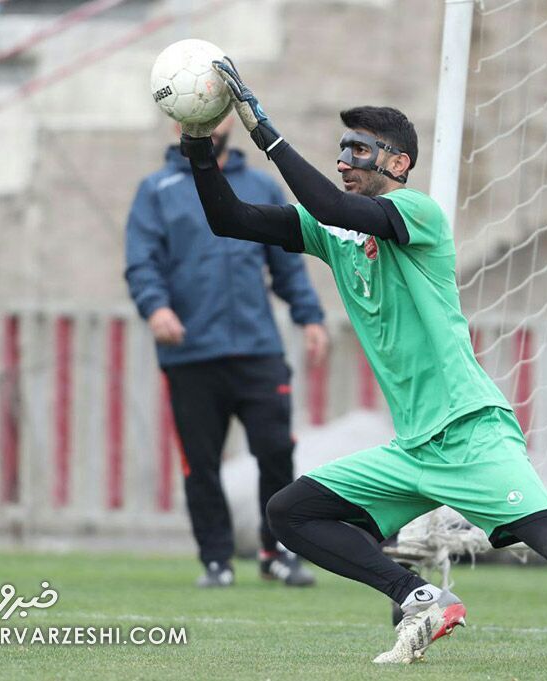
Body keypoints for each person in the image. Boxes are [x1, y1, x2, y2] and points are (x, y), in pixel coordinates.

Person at [176, 58, 547, 674]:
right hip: (414, 446)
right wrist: (199, 146)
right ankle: (420, 598)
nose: (344, 159)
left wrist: (268, 135)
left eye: (360, 149)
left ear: (397, 164)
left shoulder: (417, 213)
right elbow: (228, 219)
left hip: (471, 429)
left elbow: (339, 210)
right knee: (291, 511)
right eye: (341, 148)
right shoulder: (330, 229)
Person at [125, 117, 327, 588]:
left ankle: (276, 553)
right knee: (201, 463)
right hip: (190, 355)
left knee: (277, 451)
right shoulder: (156, 191)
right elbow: (141, 263)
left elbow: (288, 264)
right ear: (176, 119)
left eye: (214, 115)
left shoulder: (259, 185)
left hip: (258, 350)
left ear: (228, 121)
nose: (206, 125)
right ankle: (216, 561)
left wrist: (311, 316)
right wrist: (156, 309)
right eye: (194, 115)